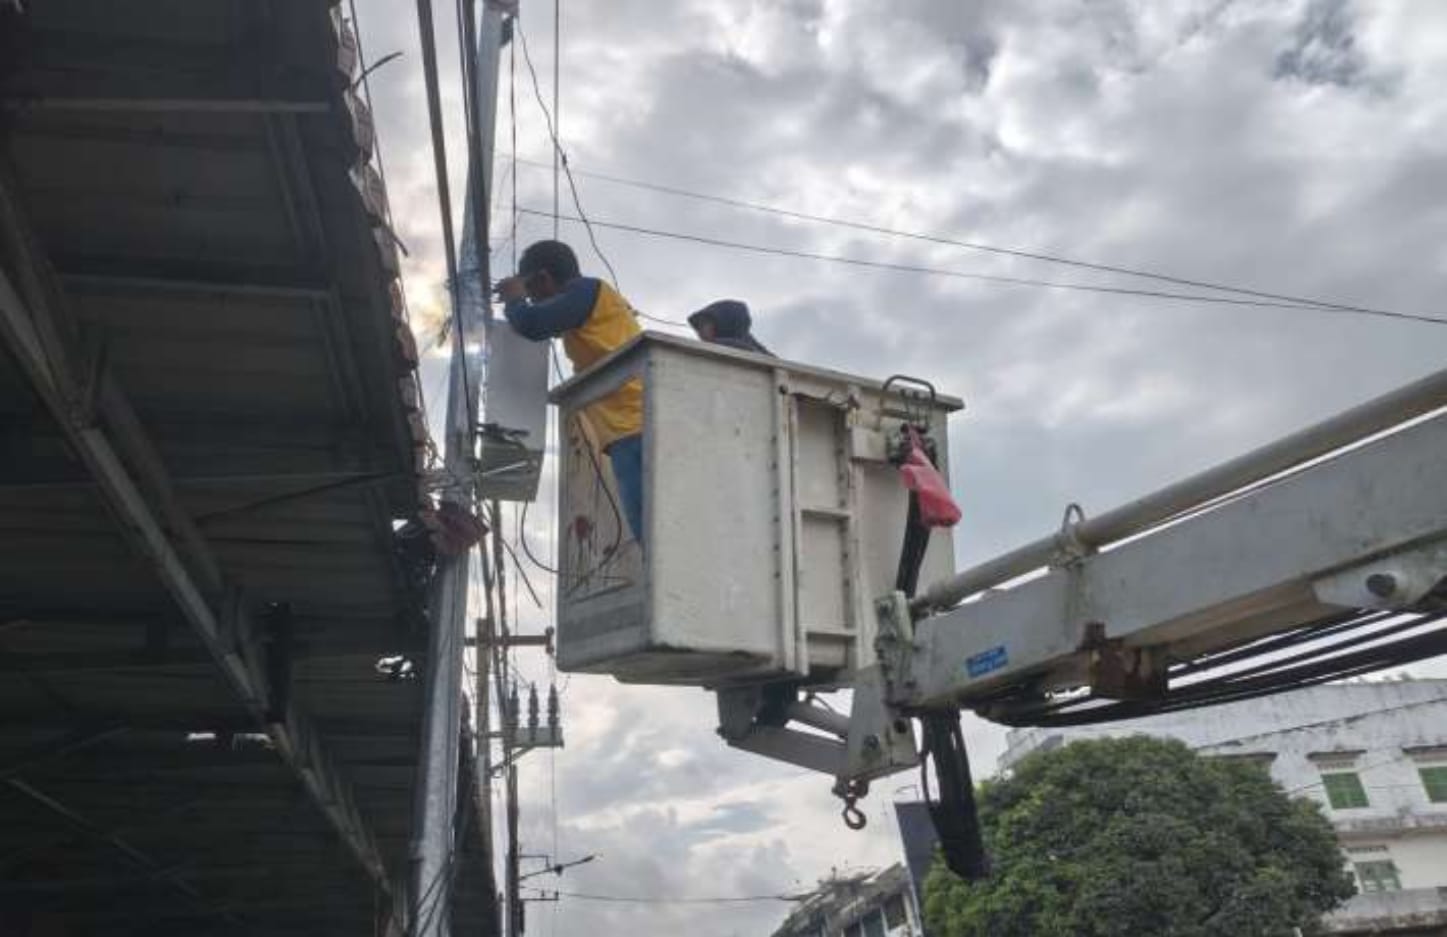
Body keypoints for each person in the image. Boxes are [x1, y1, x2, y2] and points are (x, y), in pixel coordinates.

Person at [497, 241, 646, 545]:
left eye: (532, 290)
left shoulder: (588, 291)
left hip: (636, 424)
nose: (533, 299)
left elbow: (533, 324)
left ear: (544, 279)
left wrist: (514, 301)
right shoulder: (588, 305)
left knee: (652, 533)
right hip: (624, 430)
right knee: (647, 532)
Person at [687, 299, 773, 356]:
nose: (700, 333)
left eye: (704, 325)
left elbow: (768, 357)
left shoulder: (747, 342)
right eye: (697, 328)